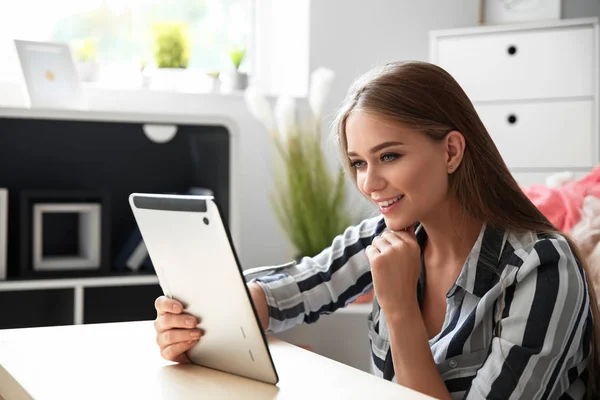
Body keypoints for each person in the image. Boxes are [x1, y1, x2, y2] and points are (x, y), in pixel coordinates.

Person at [153, 61, 599, 399]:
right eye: (358, 163)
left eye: (389, 156)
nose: (369, 183)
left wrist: (400, 307)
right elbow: (292, 290)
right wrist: (195, 322)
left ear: (451, 151)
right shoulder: (388, 236)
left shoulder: (542, 269)